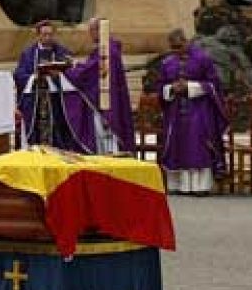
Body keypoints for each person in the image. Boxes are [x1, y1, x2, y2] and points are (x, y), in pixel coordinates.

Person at [152, 29, 228, 196]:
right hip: (175, 111)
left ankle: (200, 186)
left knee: (197, 146)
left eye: (178, 46)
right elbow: (160, 87)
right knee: (176, 146)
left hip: (199, 110)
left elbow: (214, 85)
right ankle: (178, 185)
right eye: (173, 48)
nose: (176, 51)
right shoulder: (167, 63)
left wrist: (190, 87)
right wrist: (171, 88)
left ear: (186, 42)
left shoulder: (203, 59)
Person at [13, 21, 97, 153]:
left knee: (58, 128)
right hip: (36, 99)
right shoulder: (28, 54)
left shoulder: (62, 52)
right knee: (37, 131)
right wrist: (34, 77)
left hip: (57, 100)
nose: (48, 37)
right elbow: (19, 75)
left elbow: (72, 72)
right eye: (45, 34)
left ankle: (59, 151)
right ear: (38, 36)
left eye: (50, 34)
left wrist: (58, 75)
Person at [65, 18, 135, 154]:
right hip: (108, 100)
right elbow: (92, 68)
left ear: (98, 30)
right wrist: (77, 65)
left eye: (91, 31)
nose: (90, 35)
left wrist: (70, 69)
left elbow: (87, 73)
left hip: (104, 105)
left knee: (106, 143)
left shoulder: (106, 51)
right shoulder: (108, 49)